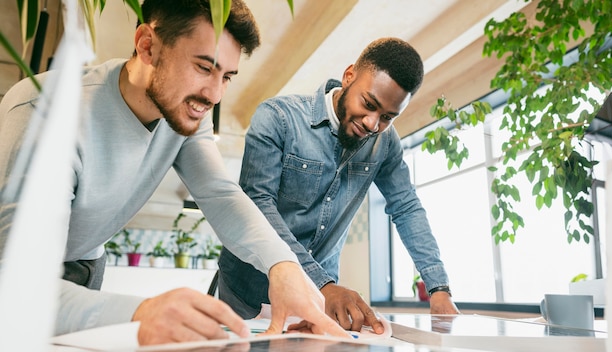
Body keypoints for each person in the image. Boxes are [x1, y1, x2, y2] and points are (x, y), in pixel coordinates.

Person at [0, 0, 349, 345]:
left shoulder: (184, 114)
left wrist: (283, 267)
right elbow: (15, 288)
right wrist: (144, 313)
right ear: (147, 45)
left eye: (226, 76)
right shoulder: (44, 113)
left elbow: (222, 195)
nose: (214, 94)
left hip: (85, 268)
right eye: (203, 67)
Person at [218, 37, 460, 333]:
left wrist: (438, 288)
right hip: (249, 291)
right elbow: (259, 204)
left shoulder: (385, 144)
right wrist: (324, 283)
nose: (373, 124)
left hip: (320, 297)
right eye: (369, 105)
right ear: (348, 77)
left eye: (387, 117)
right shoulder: (279, 118)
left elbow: (407, 207)